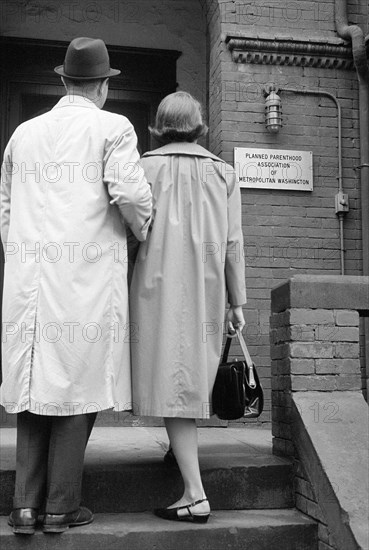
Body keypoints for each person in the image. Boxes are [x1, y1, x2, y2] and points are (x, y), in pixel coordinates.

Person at [0, 37, 152, 535]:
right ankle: (62, 506)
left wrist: (20, 252)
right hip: (84, 274)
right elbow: (130, 193)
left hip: (29, 276)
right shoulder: (113, 127)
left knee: (30, 382)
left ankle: (25, 506)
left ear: (63, 81)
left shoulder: (23, 133)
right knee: (76, 381)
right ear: (104, 86)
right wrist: (143, 227)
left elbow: (5, 208)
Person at [130, 91, 246, 523]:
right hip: (207, 286)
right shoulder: (224, 174)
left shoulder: (144, 168)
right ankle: (184, 467)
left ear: (160, 126)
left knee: (168, 376)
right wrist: (238, 301)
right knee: (186, 373)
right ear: (199, 125)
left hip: (154, 284)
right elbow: (233, 243)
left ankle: (196, 495)